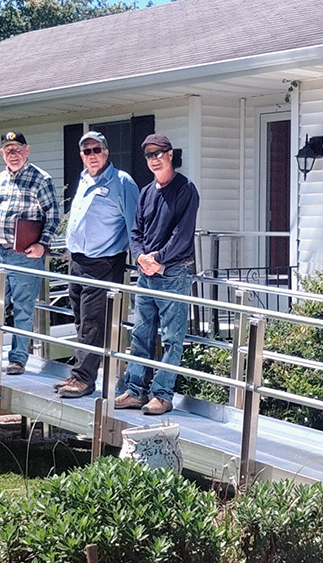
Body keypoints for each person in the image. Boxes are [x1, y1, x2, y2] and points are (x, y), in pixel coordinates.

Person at [115, 134, 198, 415]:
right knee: (141, 334)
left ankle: (162, 396)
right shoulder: (146, 192)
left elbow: (183, 234)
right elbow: (135, 230)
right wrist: (140, 256)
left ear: (170, 154)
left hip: (173, 273)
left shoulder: (186, 189)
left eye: (158, 153)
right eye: (149, 155)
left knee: (172, 338)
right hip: (146, 273)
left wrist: (159, 259)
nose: (154, 159)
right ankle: (135, 391)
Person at [0, 131, 60, 375]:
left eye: (17, 149)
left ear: (27, 150)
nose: (13, 154)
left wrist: (43, 245)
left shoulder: (41, 179)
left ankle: (18, 359)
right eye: (8, 150)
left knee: (23, 309)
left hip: (25, 255)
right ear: (2, 154)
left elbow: (53, 216)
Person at [54, 131, 139, 399]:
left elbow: (134, 224)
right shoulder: (83, 179)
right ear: (81, 155)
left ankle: (84, 380)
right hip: (77, 261)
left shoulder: (122, 182)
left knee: (93, 322)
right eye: (86, 151)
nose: (92, 155)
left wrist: (139, 259)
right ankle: (80, 372)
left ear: (106, 152)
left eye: (96, 150)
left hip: (103, 262)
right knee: (80, 319)